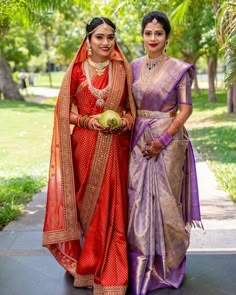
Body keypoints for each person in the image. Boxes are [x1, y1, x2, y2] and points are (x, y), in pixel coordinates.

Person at [42, 17, 136, 294]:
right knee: (87, 207)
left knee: (112, 208)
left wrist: (123, 122)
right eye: (99, 37)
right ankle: (87, 264)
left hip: (115, 149)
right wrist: (85, 121)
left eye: (110, 37)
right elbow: (62, 111)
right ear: (88, 40)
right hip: (83, 146)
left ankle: (111, 269)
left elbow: (132, 112)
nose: (106, 42)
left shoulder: (123, 70)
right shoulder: (76, 72)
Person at [127, 11, 202, 294]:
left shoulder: (178, 69)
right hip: (138, 140)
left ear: (167, 37)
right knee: (137, 201)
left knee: (166, 201)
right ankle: (140, 263)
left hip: (167, 141)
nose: (153, 38)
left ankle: (168, 264)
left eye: (159, 33)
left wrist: (164, 138)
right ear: (142, 35)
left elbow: (186, 108)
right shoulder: (132, 66)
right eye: (148, 33)